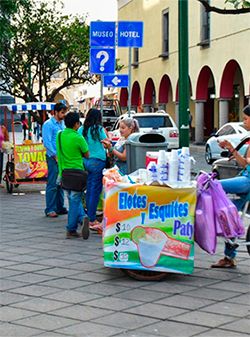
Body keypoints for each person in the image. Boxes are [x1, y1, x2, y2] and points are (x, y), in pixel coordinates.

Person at [211, 104, 250, 268]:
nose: (244, 121)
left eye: (246, 118)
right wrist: (231, 149)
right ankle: (229, 257)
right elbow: (244, 164)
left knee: (211, 184)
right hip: (246, 177)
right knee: (231, 215)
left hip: (247, 181)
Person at [56, 112, 90, 239]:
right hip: (77, 173)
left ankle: (82, 218)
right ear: (76, 124)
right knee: (75, 200)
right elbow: (87, 154)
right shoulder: (78, 137)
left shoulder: (59, 135)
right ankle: (71, 228)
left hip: (64, 172)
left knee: (72, 199)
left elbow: (58, 153)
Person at [78, 108, 110, 231]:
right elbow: (105, 142)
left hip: (85, 161)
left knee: (87, 188)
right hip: (98, 161)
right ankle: (91, 218)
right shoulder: (99, 129)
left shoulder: (82, 129)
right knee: (94, 190)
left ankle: (86, 214)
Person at [42, 102, 68, 218]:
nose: (63, 115)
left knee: (60, 183)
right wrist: (54, 155)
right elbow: (47, 142)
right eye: (62, 112)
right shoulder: (48, 124)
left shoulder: (62, 124)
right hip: (52, 157)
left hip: (61, 157)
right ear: (55, 112)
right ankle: (50, 208)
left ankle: (60, 206)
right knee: (52, 183)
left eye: (64, 112)